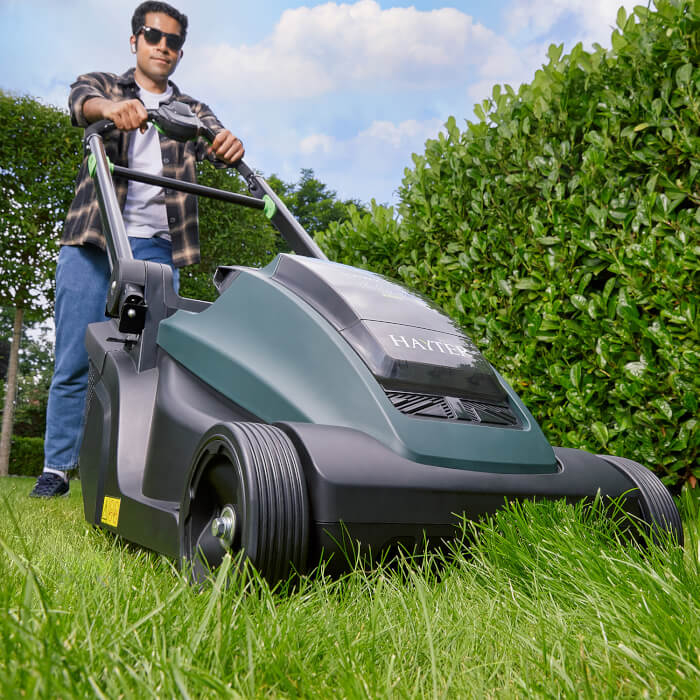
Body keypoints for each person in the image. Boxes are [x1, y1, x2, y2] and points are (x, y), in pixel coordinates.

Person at [30, 1, 244, 497]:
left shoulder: (190, 108)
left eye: (172, 41)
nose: (162, 46)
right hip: (94, 236)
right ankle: (56, 470)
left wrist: (227, 144)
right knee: (74, 356)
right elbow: (82, 102)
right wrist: (111, 110)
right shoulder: (106, 84)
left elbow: (216, 140)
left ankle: (132, 473)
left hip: (155, 245)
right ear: (135, 41)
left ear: (180, 52)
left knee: (146, 360)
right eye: (153, 36)